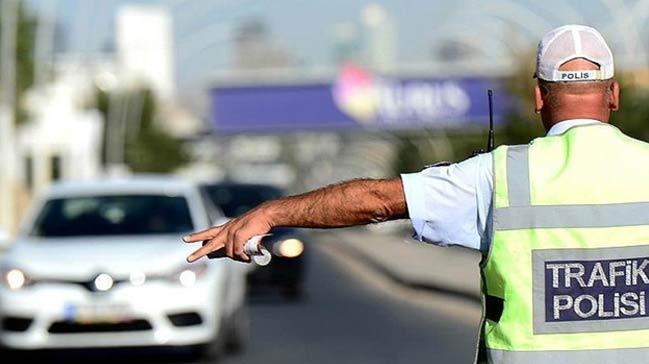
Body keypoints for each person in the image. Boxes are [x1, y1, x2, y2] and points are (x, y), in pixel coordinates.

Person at [183, 25, 649, 363]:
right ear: (613, 94)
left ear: (539, 99)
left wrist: (272, 212)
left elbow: (375, 199)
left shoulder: (500, 175)